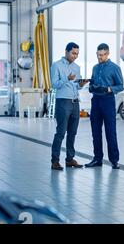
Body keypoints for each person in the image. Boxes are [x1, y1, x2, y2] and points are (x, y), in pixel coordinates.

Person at [50, 42, 89, 170]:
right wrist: (67, 79)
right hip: (63, 102)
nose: (75, 56)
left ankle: (70, 159)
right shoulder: (56, 66)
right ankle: (55, 161)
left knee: (72, 132)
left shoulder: (77, 67)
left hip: (75, 102)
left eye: (77, 54)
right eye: (73, 53)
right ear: (66, 52)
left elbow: (76, 85)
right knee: (61, 132)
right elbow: (54, 85)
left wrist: (81, 84)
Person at [85, 43, 124, 169]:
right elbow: (93, 80)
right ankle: (97, 159)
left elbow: (120, 86)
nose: (99, 58)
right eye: (98, 55)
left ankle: (114, 160)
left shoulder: (114, 68)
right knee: (95, 132)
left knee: (110, 132)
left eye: (102, 55)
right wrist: (91, 86)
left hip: (108, 101)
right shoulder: (95, 68)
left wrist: (108, 89)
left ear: (107, 54)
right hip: (95, 101)